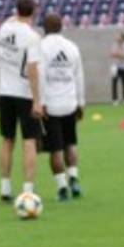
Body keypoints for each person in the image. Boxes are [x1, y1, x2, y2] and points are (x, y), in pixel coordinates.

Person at [0, 0, 43, 202]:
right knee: (29, 141)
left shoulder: (4, 28)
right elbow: (33, 69)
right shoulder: (32, 36)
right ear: (33, 11)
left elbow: (12, 18)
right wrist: (37, 99)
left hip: (4, 92)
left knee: (7, 139)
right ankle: (28, 190)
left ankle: (5, 187)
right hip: (23, 94)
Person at [39, 13, 85, 201]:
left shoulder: (40, 48)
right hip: (70, 104)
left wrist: (39, 103)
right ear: (61, 27)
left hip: (51, 106)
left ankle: (62, 187)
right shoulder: (72, 47)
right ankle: (74, 177)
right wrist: (81, 103)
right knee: (70, 144)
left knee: (55, 149)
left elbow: (39, 78)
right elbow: (79, 77)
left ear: (44, 28)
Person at [110, 32, 124, 106]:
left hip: (123, 67)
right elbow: (112, 54)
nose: (117, 38)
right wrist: (119, 54)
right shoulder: (114, 45)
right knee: (114, 83)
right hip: (115, 67)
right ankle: (115, 100)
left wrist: (118, 54)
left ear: (123, 38)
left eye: (119, 37)